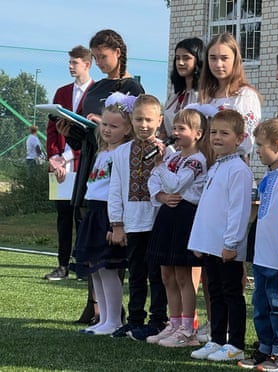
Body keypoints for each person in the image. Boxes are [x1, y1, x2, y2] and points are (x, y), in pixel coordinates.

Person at [58, 29, 145, 325]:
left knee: (110, 247)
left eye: (103, 57)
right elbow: (88, 138)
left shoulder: (133, 87)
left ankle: (112, 311)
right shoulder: (97, 87)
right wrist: (71, 132)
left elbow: (133, 131)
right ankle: (93, 305)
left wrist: (103, 124)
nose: (99, 62)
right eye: (94, 58)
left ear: (118, 52)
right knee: (89, 237)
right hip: (92, 166)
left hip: (116, 170)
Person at [188, 109, 253, 362]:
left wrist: (231, 243)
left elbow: (238, 211)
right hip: (211, 244)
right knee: (214, 292)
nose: (217, 137)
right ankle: (217, 339)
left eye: (224, 133)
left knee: (231, 294)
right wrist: (199, 240)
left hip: (227, 248)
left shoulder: (239, 169)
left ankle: (235, 342)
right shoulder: (217, 166)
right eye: (214, 132)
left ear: (239, 138)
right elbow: (207, 208)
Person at [145, 108, 208, 348]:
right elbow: (154, 180)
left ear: (198, 133)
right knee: (166, 274)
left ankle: (187, 328)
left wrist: (162, 171)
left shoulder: (197, 160)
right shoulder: (173, 157)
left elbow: (178, 184)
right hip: (168, 213)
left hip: (185, 215)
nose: (175, 133)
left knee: (183, 275)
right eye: (175, 128)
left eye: (182, 128)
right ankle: (173, 322)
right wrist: (160, 195)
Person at [107, 94, 168, 340]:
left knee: (157, 273)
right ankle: (134, 319)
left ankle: (158, 320)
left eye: (149, 120)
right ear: (131, 120)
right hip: (133, 222)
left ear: (159, 121)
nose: (144, 125)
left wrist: (163, 162)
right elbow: (115, 188)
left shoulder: (168, 151)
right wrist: (117, 223)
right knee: (136, 272)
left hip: (157, 221)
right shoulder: (121, 153)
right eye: (139, 119)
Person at [73, 93, 135, 336]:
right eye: (105, 124)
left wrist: (116, 222)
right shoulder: (102, 152)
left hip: (109, 213)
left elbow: (119, 188)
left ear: (127, 129)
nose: (107, 130)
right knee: (95, 268)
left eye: (114, 126)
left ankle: (115, 319)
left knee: (108, 267)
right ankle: (104, 317)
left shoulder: (123, 153)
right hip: (94, 209)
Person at [237, 118, 278, 370]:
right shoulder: (268, 177)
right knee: (260, 304)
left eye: (260, 145)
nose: (257, 149)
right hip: (261, 255)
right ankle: (264, 347)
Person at [44, 45, 94, 281]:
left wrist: (67, 157)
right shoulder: (62, 92)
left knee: (82, 216)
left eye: (75, 62)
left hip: (82, 163)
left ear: (87, 64)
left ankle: (82, 264)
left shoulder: (96, 93)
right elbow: (52, 129)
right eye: (69, 62)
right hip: (60, 166)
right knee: (63, 217)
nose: (70, 66)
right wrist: (54, 158)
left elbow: (90, 135)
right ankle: (62, 265)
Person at [198, 32, 261, 162]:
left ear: (235, 60)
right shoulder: (205, 96)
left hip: (231, 166)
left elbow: (246, 142)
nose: (218, 64)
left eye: (224, 58)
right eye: (213, 58)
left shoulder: (245, 96)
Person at [161, 37, 204, 141]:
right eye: (177, 58)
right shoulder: (174, 96)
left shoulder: (203, 96)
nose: (180, 63)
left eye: (186, 58)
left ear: (198, 60)